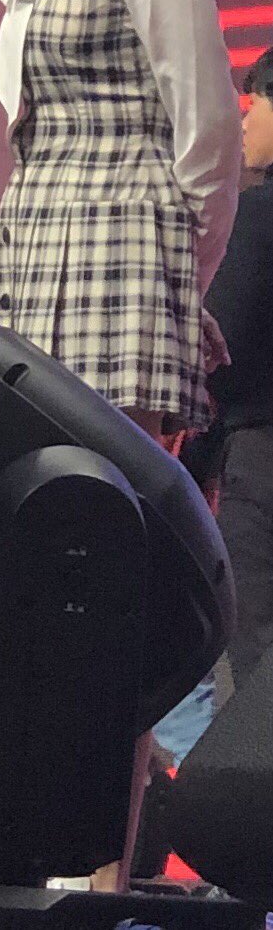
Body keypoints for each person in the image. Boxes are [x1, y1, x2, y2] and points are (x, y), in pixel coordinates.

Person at [0, 0, 242, 889]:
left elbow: (207, 138)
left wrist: (178, 286)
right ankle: (44, 853)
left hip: (121, 254)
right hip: (36, 243)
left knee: (107, 571)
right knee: (41, 572)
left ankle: (100, 873)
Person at [207, 45, 273, 690]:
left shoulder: (256, 217)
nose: (245, 119)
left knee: (250, 665)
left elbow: (222, 349)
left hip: (259, 457)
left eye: (259, 102)